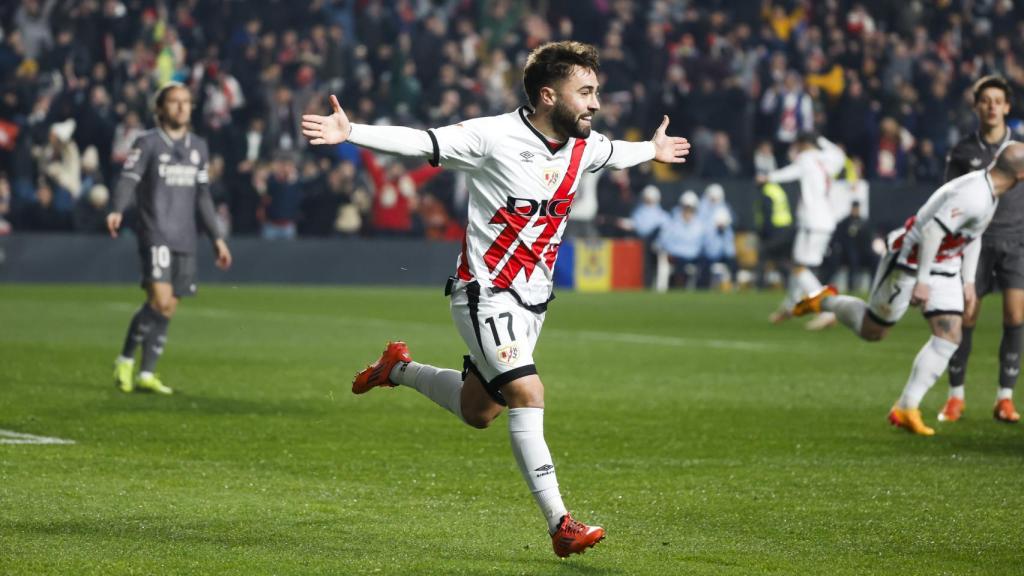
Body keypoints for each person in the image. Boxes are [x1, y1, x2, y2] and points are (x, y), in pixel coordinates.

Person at [301, 41, 690, 557]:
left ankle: (396, 369)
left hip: (534, 302)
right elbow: (422, 142)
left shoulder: (584, 146)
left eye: (597, 91)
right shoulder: (493, 135)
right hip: (484, 292)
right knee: (528, 393)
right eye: (587, 92)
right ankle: (561, 523)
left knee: (479, 410)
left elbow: (620, 153)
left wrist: (653, 151)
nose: (596, 103)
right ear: (548, 95)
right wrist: (353, 133)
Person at [792, 143, 1024, 436]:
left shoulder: (987, 191)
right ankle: (827, 301)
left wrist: (967, 282)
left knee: (950, 334)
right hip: (910, 259)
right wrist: (923, 280)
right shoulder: (975, 195)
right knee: (873, 331)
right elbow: (930, 232)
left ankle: (906, 407)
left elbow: (972, 235)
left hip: (944, 262)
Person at [107, 82, 232, 395]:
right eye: (174, 102)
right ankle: (124, 359)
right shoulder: (147, 142)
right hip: (155, 232)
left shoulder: (198, 146)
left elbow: (203, 196)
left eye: (186, 102)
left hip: (185, 237)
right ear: (160, 109)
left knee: (167, 308)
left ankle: (146, 373)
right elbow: (128, 179)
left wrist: (216, 237)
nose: (181, 107)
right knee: (159, 300)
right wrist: (117, 209)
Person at [940, 76, 1024, 424]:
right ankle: (955, 397)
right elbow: (948, 198)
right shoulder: (963, 151)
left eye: (997, 100)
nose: (991, 106)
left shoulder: (1019, 151)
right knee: (966, 317)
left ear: (1007, 107)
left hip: (1016, 242)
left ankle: (1005, 398)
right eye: (985, 100)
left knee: (1015, 317)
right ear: (977, 106)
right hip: (975, 243)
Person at [758, 132, 846, 328]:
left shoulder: (806, 159)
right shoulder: (829, 158)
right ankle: (790, 308)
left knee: (799, 268)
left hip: (812, 222)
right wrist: (821, 138)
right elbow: (839, 155)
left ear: (803, 144)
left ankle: (826, 310)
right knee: (799, 265)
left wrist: (768, 177)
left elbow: (791, 172)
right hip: (823, 221)